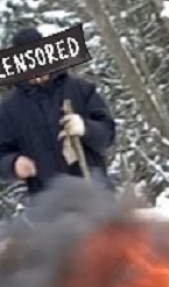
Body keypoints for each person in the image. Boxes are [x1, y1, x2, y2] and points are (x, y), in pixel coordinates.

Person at [0, 27, 117, 200]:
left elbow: (108, 134)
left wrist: (86, 128)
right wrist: (13, 164)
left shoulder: (80, 89)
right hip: (51, 208)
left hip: (96, 194)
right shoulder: (8, 110)